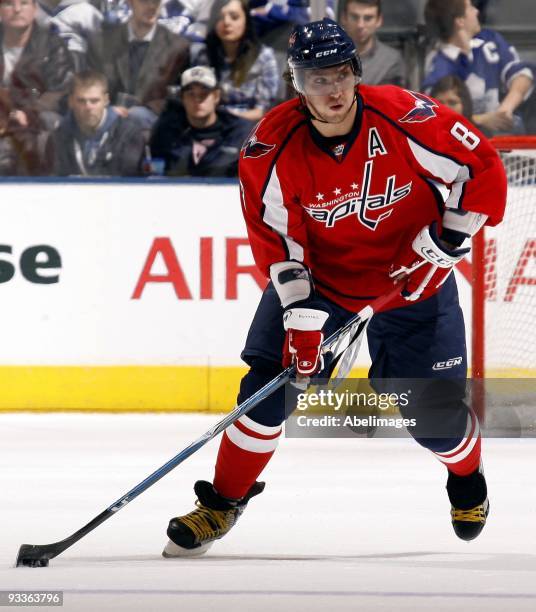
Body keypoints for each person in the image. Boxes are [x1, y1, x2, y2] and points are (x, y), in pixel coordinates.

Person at [162, 18, 507, 558]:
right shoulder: (268, 149)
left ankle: (467, 477)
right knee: (265, 391)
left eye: (342, 73)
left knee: (433, 418)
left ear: (357, 73)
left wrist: (444, 246)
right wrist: (300, 318)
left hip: (414, 281)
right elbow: (277, 242)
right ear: (295, 82)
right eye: (318, 77)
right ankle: (223, 502)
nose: (334, 89)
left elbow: (483, 168)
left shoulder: (404, 114)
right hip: (321, 284)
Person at [422, 0, 534, 136]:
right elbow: (436, 116)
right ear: (460, 21)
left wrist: (506, 108)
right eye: (470, 8)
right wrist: (481, 120)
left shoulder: (488, 40)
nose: (477, 11)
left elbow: (522, 74)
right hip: (463, 140)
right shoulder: (438, 65)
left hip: (505, 133)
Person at [87, 0, 190, 130]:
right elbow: (90, 85)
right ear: (130, 2)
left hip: (152, 123)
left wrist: (144, 110)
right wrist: (108, 109)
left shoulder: (176, 47)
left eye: (156, 2)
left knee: (135, 118)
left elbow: (179, 96)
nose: (152, 7)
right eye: (144, 1)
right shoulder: (102, 43)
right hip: (107, 117)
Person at [0, 0, 74, 175]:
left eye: (24, 3)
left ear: (34, 9)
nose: (17, 10)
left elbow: (60, 90)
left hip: (35, 115)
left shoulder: (52, 44)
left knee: (51, 121)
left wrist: (28, 113)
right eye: (9, 4)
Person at [149, 65, 253, 177]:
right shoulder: (166, 131)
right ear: (182, 98)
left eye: (204, 94)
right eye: (191, 94)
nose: (197, 100)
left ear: (216, 96)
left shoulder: (239, 131)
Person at [191, 0, 279, 122]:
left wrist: (226, 117)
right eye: (220, 17)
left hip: (246, 127)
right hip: (208, 125)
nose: (226, 22)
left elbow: (262, 111)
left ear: (246, 21)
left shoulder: (264, 57)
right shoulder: (203, 55)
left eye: (234, 17)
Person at [45, 69, 145, 175]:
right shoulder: (59, 136)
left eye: (94, 101)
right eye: (81, 101)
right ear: (70, 101)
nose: (88, 107)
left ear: (106, 100)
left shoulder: (128, 134)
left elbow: (128, 181)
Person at [340, 0, 405, 87]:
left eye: (368, 18)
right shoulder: (327, 56)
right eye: (354, 17)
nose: (360, 25)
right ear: (344, 18)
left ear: (379, 20)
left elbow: (388, 98)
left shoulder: (391, 61)